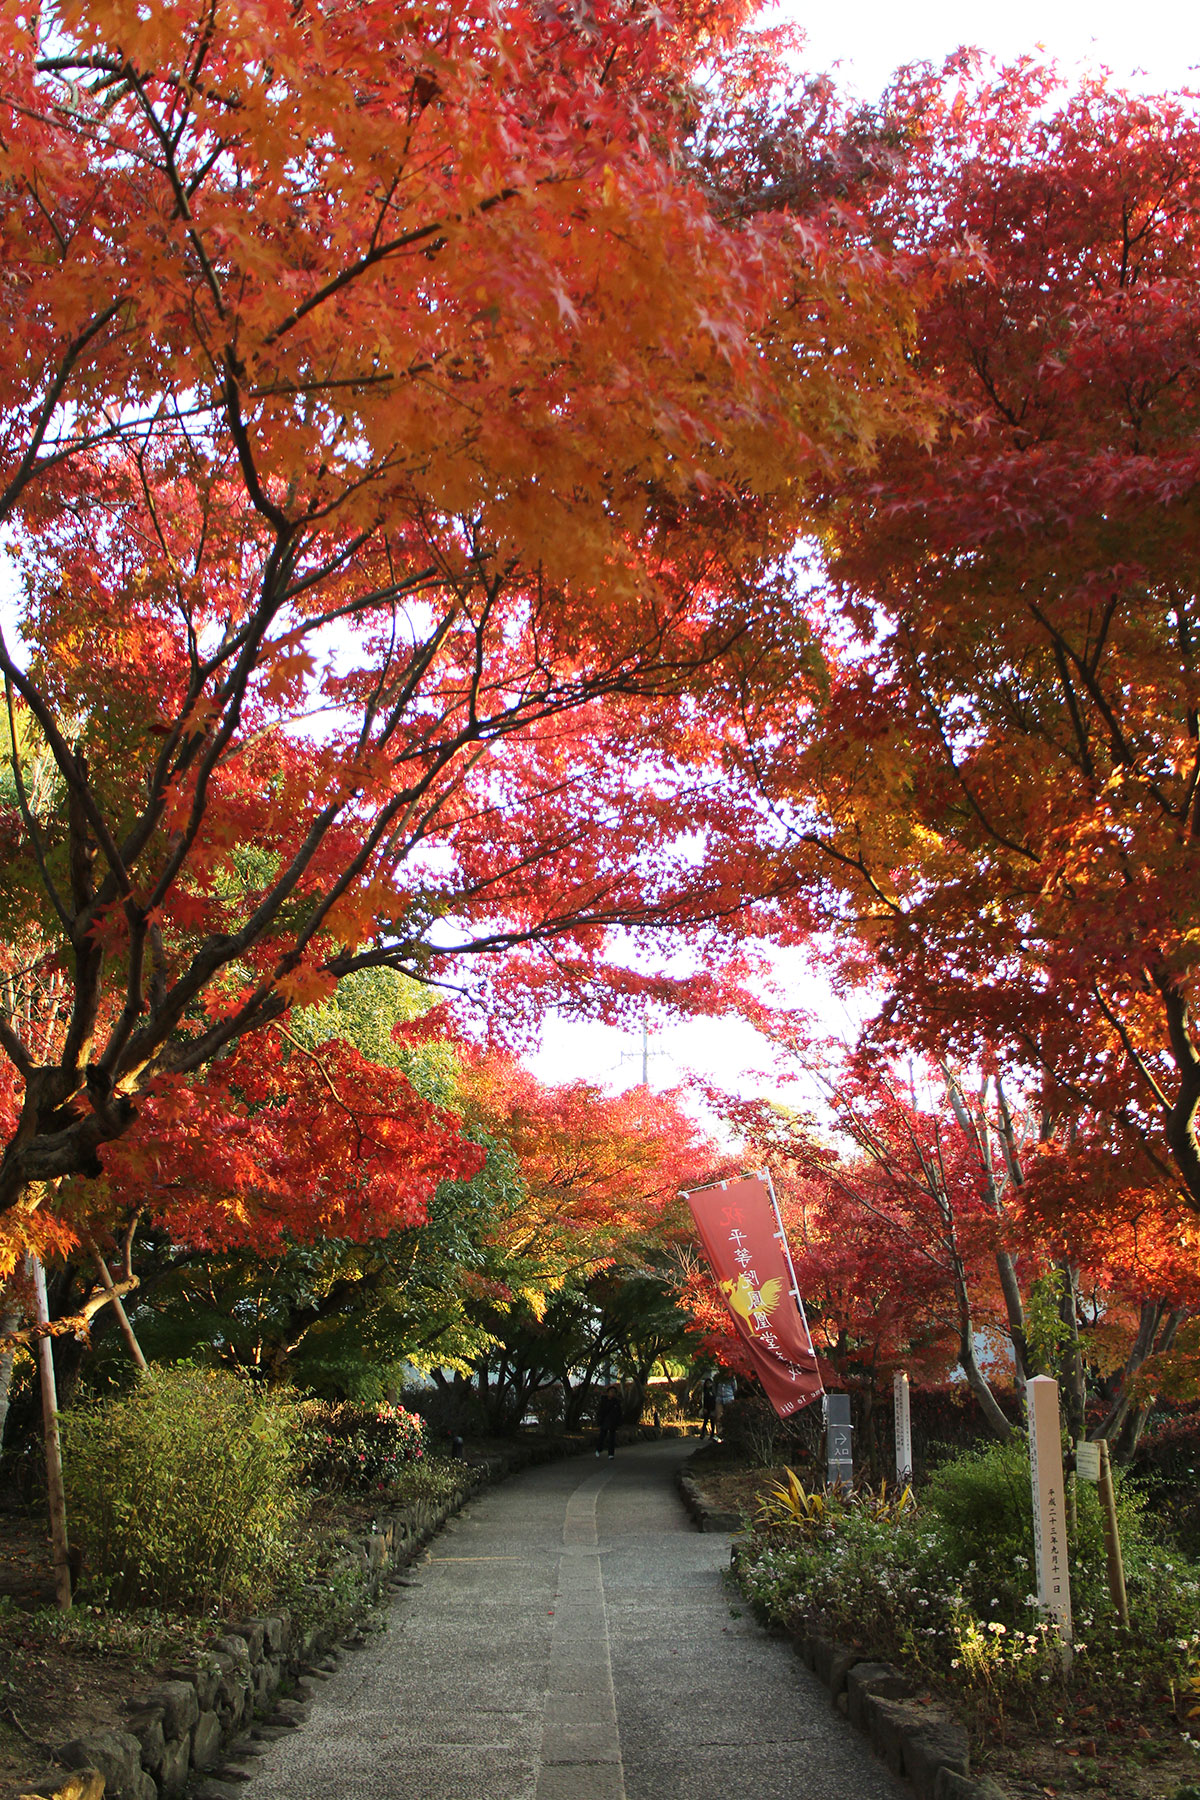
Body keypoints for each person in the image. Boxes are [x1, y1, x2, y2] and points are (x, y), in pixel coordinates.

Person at [595, 1384, 623, 1459]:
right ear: (608, 1392)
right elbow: (600, 1412)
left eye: (614, 1392)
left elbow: (619, 1413)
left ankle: (611, 1454)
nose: (612, 1393)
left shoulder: (617, 1402)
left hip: (613, 1422)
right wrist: (599, 1420)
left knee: (612, 1438)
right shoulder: (603, 1401)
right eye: (611, 1391)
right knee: (602, 1436)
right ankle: (598, 1449)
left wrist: (619, 1422)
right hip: (605, 1421)